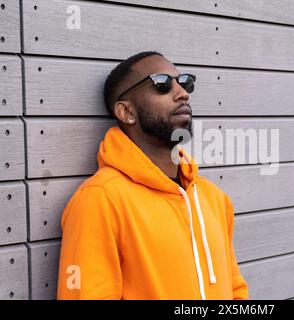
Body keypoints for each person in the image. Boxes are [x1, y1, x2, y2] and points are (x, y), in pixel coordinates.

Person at [56, 51, 249, 300]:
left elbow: (235, 291)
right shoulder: (100, 200)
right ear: (126, 112)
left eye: (184, 82)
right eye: (162, 84)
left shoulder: (213, 199)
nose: (182, 93)